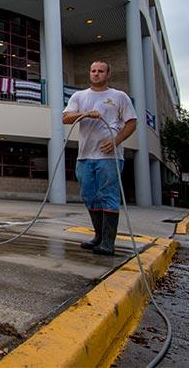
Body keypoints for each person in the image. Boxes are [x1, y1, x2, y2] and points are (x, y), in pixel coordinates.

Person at [62, 60, 137, 256]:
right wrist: (85, 114)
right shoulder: (79, 96)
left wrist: (116, 141)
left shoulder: (119, 97)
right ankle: (98, 236)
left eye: (101, 71)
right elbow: (66, 118)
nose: (96, 74)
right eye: (93, 70)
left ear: (108, 74)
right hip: (85, 155)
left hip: (109, 157)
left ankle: (108, 242)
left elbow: (131, 122)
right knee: (89, 195)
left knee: (108, 196)